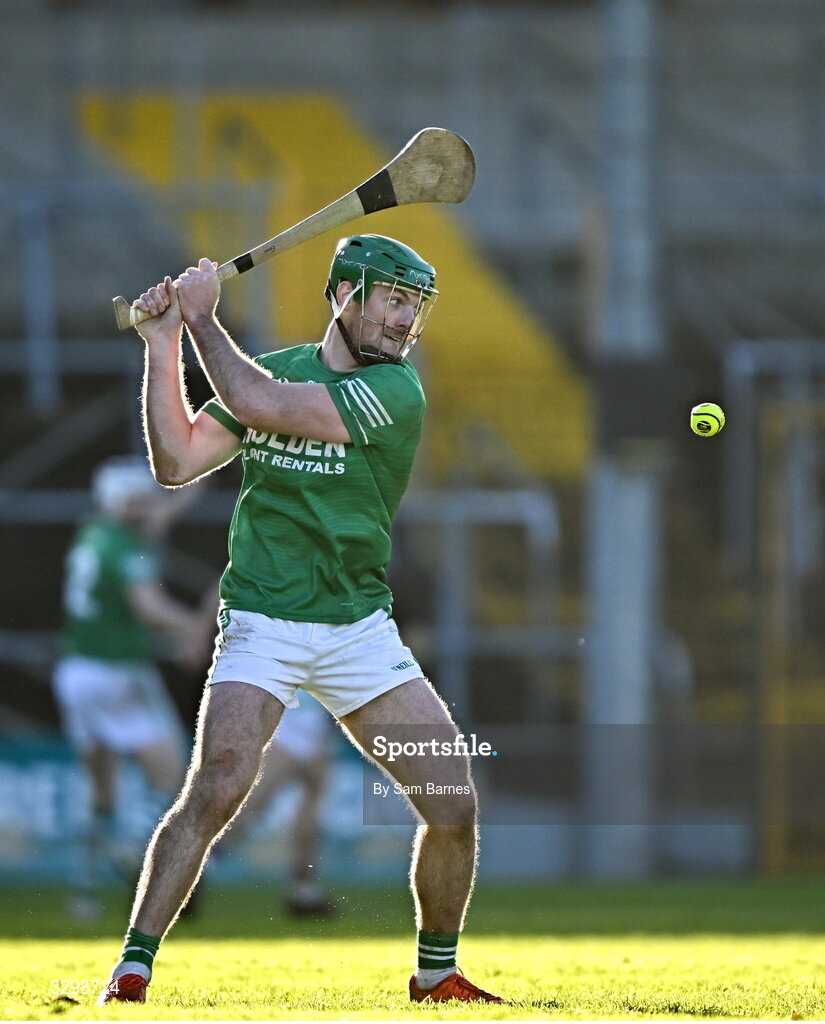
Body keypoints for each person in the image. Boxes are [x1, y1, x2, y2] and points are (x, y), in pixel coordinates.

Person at [99, 235, 504, 1005]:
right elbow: (176, 462)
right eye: (391, 299)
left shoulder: (397, 391)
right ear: (344, 295)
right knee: (215, 788)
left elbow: (258, 406)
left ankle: (436, 973)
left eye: (414, 306)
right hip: (264, 619)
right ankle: (132, 967)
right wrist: (163, 343)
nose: (403, 321)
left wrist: (202, 322)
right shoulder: (276, 370)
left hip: (357, 627)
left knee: (451, 803)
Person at [52, 456, 206, 919]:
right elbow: (149, 607)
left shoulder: (94, 535)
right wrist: (197, 627)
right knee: (171, 774)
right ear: (119, 504)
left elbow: (163, 516)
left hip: (76, 672)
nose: (147, 508)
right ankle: (131, 848)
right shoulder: (124, 545)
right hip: (119, 672)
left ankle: (84, 889)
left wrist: (209, 467)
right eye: (136, 501)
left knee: (101, 790)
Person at [219, 691, 338, 917]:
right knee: (248, 807)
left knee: (311, 816)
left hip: (315, 728)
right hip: (285, 728)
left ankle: (304, 890)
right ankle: (199, 868)